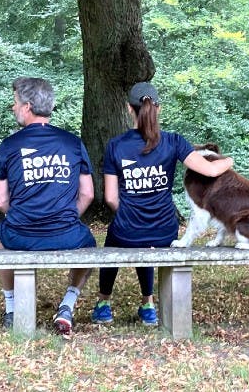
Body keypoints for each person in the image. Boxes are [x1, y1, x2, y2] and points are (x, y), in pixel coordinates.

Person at [91, 81, 233, 326]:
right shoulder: (174, 141)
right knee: (146, 240)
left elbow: (112, 198)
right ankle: (148, 305)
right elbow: (210, 171)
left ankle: (104, 303)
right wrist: (229, 160)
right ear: (158, 108)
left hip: (128, 230)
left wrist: (129, 215)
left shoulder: (116, 145)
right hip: (165, 230)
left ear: (128, 109)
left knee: (117, 238)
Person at [0, 77, 96, 334]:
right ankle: (68, 305)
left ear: (27, 107)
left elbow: (1, 201)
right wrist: (67, 217)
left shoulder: (9, 146)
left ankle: (12, 309)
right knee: (89, 244)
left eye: (15, 103)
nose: (13, 108)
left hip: (20, 236)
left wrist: (20, 217)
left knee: (0, 237)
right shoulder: (73, 143)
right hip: (67, 235)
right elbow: (88, 194)